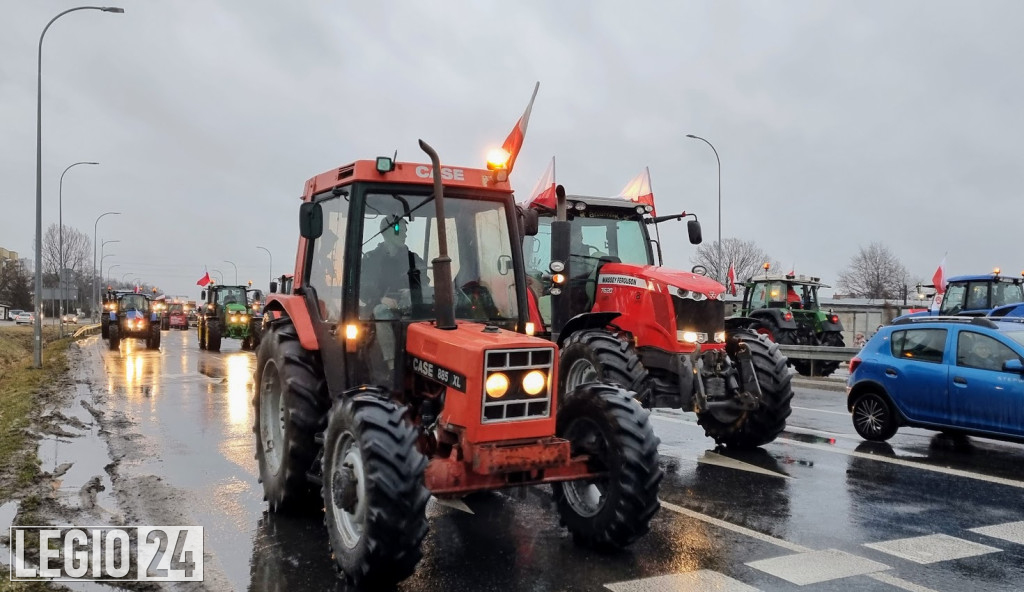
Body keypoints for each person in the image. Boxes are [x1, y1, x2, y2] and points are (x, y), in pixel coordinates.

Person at [360, 215, 428, 314]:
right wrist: (380, 299)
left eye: (405, 232)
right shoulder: (371, 259)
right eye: (399, 231)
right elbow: (363, 288)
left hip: (410, 309)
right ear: (386, 232)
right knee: (381, 312)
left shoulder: (413, 259)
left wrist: (411, 293)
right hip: (377, 313)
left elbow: (424, 283)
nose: (404, 235)